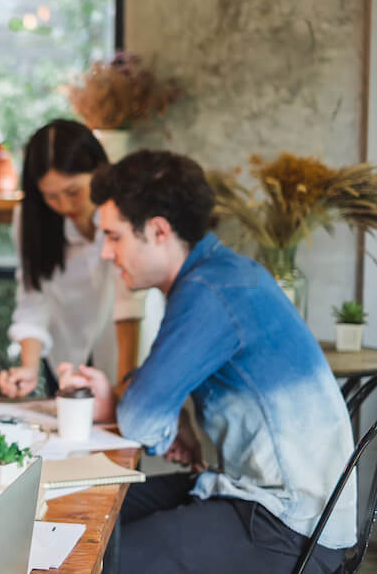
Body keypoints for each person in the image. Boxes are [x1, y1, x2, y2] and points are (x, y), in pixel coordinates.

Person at [58, 149, 355, 573]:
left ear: (158, 231)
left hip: (290, 524)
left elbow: (142, 416)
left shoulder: (211, 291)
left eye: (114, 236)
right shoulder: (220, 275)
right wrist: (166, 418)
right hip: (263, 500)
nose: (107, 253)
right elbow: (152, 396)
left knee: (95, 553)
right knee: (82, 514)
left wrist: (156, 419)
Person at [0, 120, 144, 398]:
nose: (64, 206)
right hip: (66, 357)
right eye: (51, 196)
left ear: (99, 173)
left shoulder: (124, 212)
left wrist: (127, 381)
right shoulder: (32, 220)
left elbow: (129, 302)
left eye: (73, 192)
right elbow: (33, 299)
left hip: (124, 351)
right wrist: (28, 368)